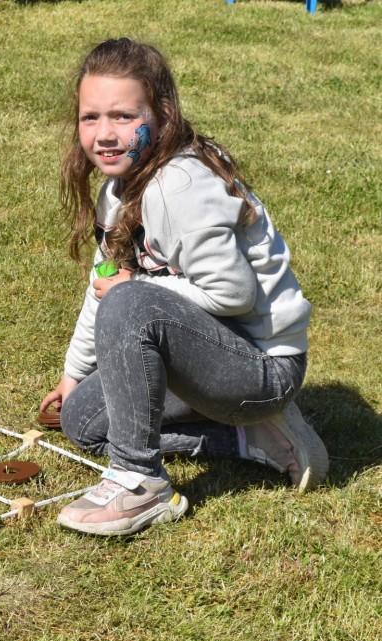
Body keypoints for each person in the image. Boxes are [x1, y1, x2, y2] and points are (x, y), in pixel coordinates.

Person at [40, 38, 329, 537]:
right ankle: (246, 439)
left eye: (124, 116)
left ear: (162, 115)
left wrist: (136, 287)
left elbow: (233, 293)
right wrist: (72, 375)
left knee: (131, 300)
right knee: (83, 420)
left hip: (262, 369)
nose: (105, 134)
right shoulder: (118, 188)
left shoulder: (178, 187)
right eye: (91, 117)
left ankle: (140, 481)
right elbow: (102, 284)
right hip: (207, 359)